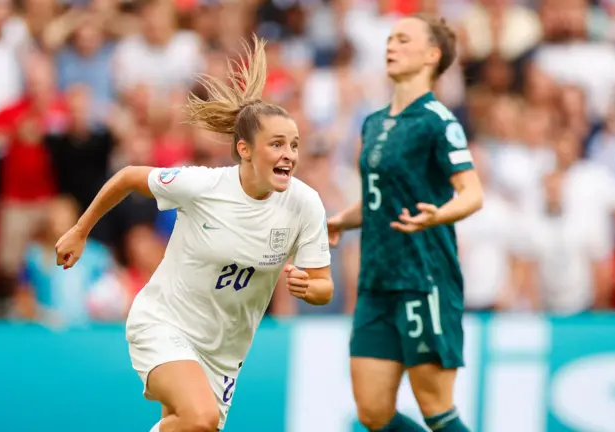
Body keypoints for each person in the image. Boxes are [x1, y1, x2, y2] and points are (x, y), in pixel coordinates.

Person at [54, 36, 334, 432]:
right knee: (199, 418)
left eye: (294, 144)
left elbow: (325, 287)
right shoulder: (203, 186)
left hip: (224, 354)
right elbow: (130, 177)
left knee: (188, 424)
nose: (289, 153)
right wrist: (80, 231)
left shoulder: (305, 205)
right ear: (245, 149)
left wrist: (310, 287)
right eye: (276, 144)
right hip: (165, 322)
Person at [328, 14, 483, 432]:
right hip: (376, 282)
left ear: (432, 55)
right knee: (372, 412)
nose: (390, 46)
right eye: (389, 38)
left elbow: (472, 192)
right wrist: (341, 220)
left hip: (423, 277)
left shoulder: (438, 120)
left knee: (437, 411)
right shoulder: (374, 122)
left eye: (403, 39)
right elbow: (379, 200)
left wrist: (439, 213)